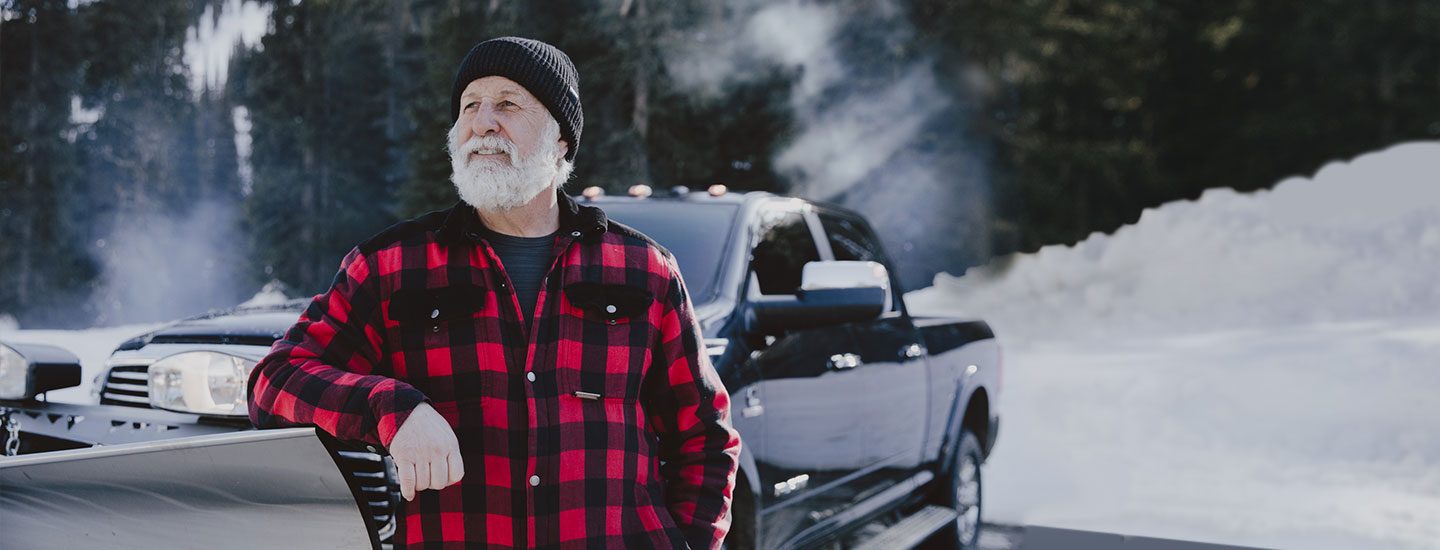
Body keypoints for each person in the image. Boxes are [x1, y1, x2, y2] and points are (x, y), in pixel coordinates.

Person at [248, 36, 741, 549]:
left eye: (507, 104)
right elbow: (274, 383)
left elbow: (703, 439)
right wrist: (391, 407)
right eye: (469, 107)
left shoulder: (645, 270)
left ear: (560, 141)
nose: (483, 123)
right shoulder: (391, 266)